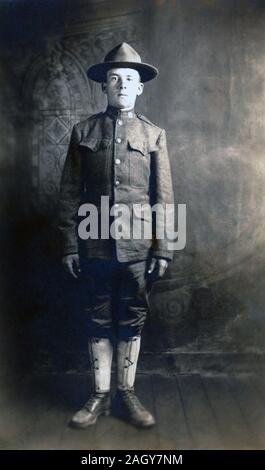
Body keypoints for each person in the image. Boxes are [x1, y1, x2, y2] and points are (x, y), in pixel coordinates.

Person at [58, 42, 175, 429]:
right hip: (94, 245)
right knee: (96, 317)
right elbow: (70, 194)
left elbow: (164, 196)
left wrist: (163, 249)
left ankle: (126, 392)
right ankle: (99, 395)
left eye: (129, 79)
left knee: (132, 318)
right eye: (114, 79)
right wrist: (69, 245)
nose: (122, 85)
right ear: (104, 87)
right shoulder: (83, 132)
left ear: (140, 87)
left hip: (139, 248)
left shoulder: (154, 135)